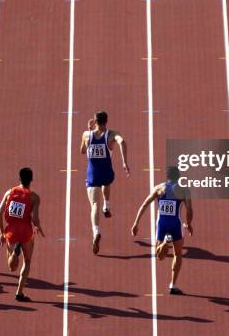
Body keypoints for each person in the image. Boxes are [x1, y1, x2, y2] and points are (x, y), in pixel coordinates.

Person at [131, 166, 192, 295]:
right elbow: (189, 210)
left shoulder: (159, 188)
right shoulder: (184, 190)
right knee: (178, 254)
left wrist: (136, 223)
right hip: (176, 224)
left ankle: (165, 242)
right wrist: (189, 224)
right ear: (179, 177)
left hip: (162, 224)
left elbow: (144, 205)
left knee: (160, 257)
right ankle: (173, 284)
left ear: (167, 176)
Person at [80, 111, 130, 255]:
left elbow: (82, 151)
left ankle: (96, 232)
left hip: (92, 174)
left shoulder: (86, 135)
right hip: (106, 171)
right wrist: (124, 162)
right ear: (106, 121)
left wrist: (89, 132)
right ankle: (107, 205)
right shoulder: (112, 134)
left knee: (94, 204)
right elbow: (122, 142)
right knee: (107, 183)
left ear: (95, 121)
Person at [0, 167, 44, 302]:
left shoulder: (9, 192)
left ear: (19, 178)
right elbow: (34, 219)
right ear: (31, 180)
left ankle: (13, 253)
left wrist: (1, 233)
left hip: (11, 232)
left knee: (12, 267)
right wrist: (38, 227)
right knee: (27, 261)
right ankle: (19, 292)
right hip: (26, 232)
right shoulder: (34, 197)